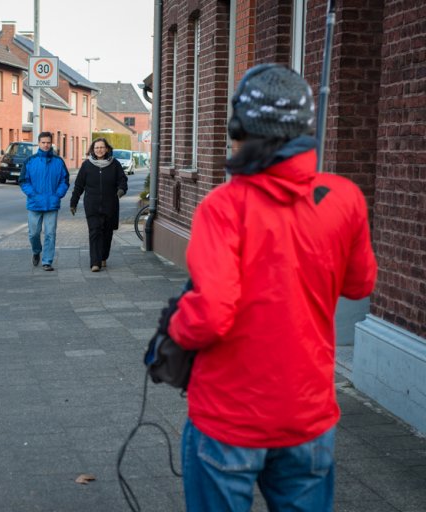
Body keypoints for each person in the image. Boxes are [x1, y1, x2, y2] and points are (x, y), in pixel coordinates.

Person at [160, 64, 377, 511]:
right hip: (307, 413)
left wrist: (175, 326)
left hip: (228, 417)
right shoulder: (346, 197)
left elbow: (211, 315)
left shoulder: (224, 206)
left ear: (240, 128)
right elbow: (360, 284)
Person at [69, 138, 128, 272]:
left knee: (107, 233)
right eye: (96, 148)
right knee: (94, 232)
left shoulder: (114, 164)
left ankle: (103, 257)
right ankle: (95, 262)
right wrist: (74, 202)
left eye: (102, 147)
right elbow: (79, 185)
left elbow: (122, 180)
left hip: (110, 204)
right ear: (92, 149)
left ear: (107, 149)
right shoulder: (87, 165)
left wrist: (121, 190)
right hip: (92, 205)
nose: (99, 150)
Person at [19, 131, 70, 271]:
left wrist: (57, 195)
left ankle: (47, 261)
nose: (46, 145)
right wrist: (33, 195)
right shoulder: (30, 161)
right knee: (33, 233)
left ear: (51, 143)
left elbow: (65, 181)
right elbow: (23, 181)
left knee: (50, 233)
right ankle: (36, 251)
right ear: (39, 143)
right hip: (34, 204)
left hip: (52, 204)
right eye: (43, 142)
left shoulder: (58, 162)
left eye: (48, 142)